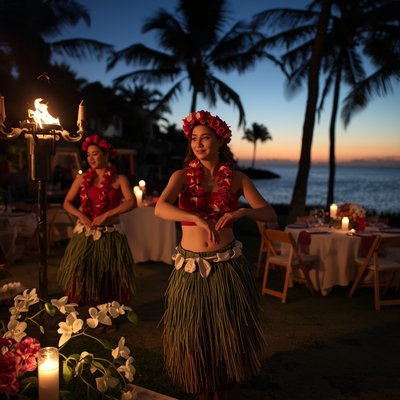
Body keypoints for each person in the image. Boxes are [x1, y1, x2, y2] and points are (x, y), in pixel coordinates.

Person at [154, 110, 278, 400]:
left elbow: (270, 213)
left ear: (220, 141)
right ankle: (199, 383)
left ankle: (221, 386)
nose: (198, 144)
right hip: (191, 268)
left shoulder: (237, 179)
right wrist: (195, 218)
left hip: (227, 266)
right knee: (195, 332)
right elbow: (160, 208)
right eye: (194, 138)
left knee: (226, 331)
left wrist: (243, 210)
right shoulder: (182, 176)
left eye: (205, 138)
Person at [57, 134, 136, 305]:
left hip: (110, 235)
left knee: (108, 275)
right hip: (85, 234)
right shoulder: (82, 178)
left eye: (95, 153)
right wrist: (81, 215)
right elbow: (67, 203)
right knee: (82, 273)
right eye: (88, 154)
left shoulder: (119, 179)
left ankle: (107, 313)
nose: (91, 158)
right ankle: (89, 309)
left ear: (106, 154)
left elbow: (132, 202)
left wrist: (107, 214)